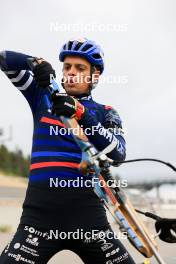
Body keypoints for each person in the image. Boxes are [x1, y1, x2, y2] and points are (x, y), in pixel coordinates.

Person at [0, 38, 135, 263]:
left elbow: (118, 153)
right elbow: (4, 59)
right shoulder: (42, 96)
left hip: (91, 222)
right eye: (67, 67)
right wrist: (35, 62)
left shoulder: (106, 112)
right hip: (38, 221)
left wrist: (81, 113)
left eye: (80, 68)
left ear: (95, 75)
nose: (71, 73)